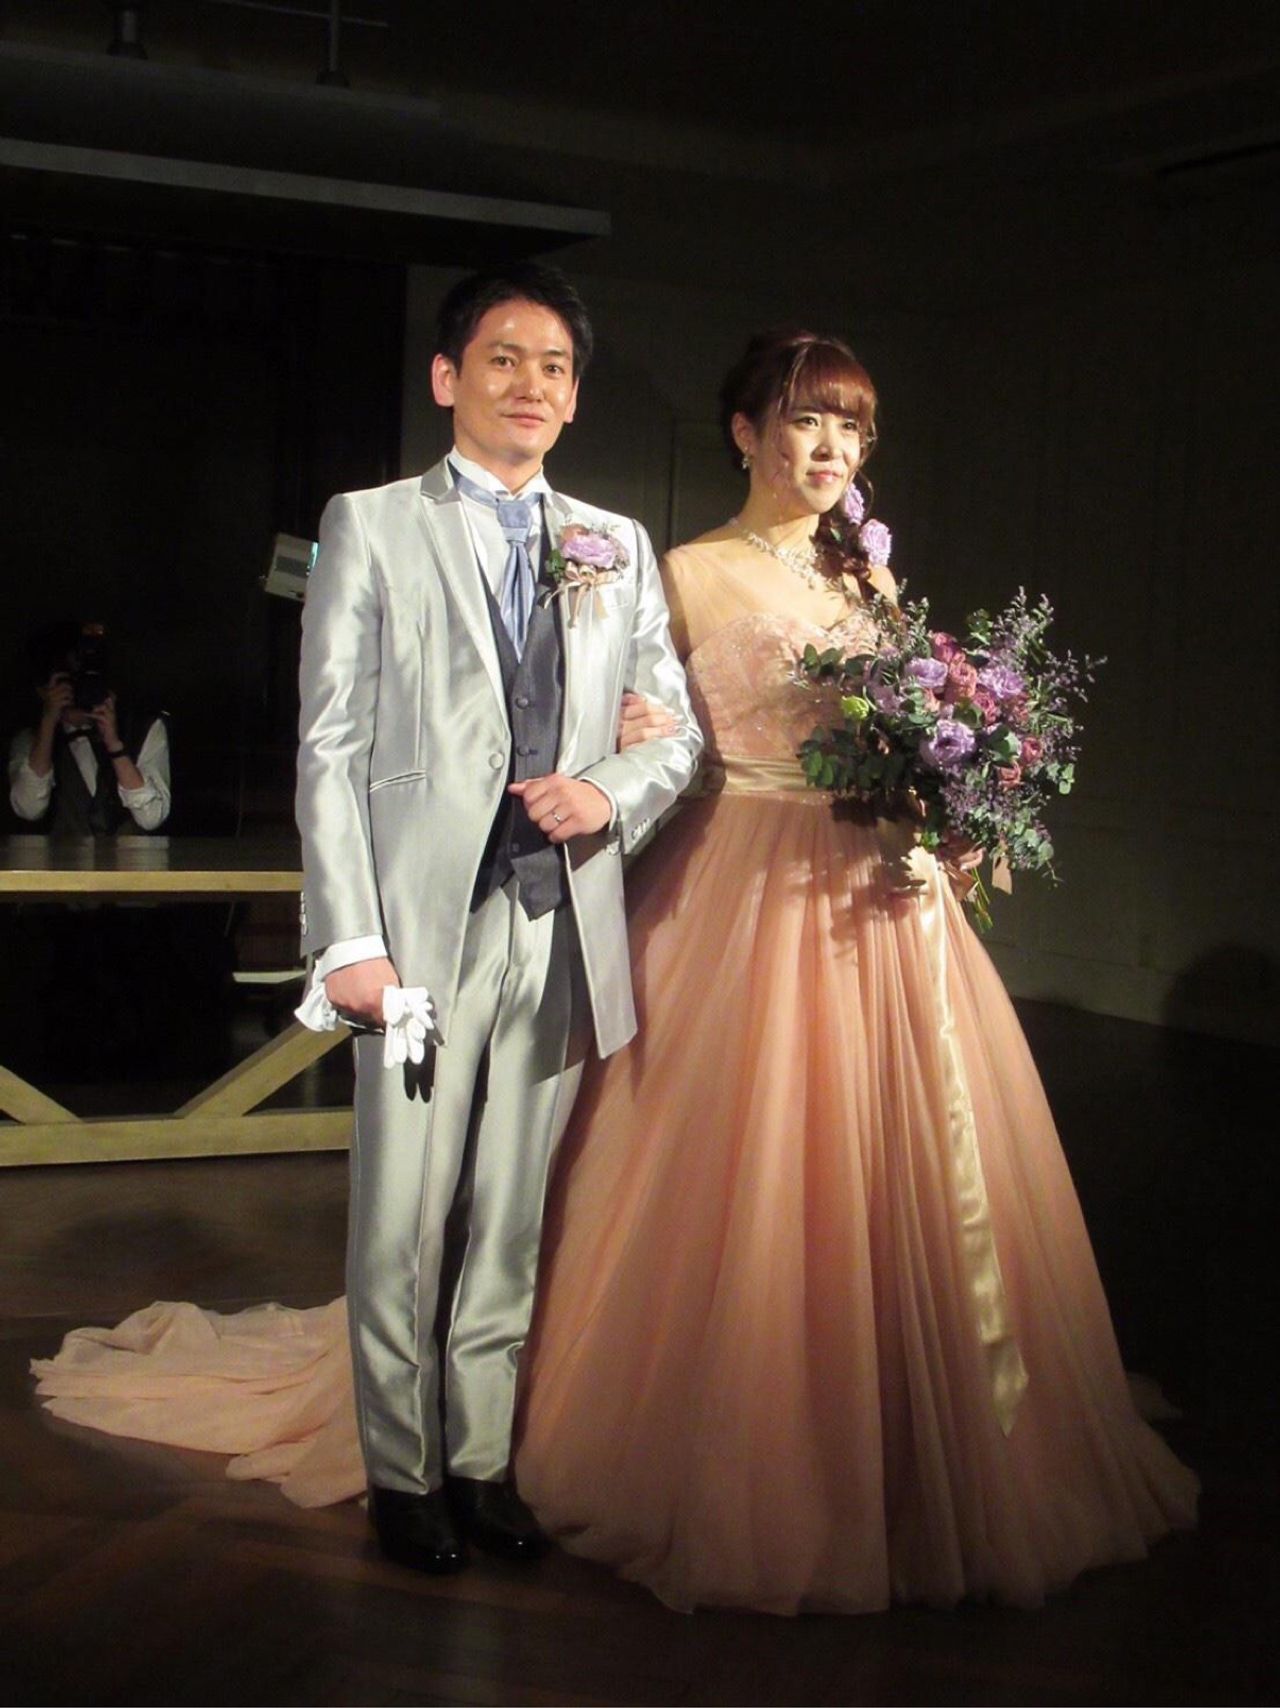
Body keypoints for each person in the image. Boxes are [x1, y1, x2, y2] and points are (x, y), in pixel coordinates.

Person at [33, 328, 1196, 1615]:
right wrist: (634, 748)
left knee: (886, 1173)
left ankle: (882, 1435)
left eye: (850, 427)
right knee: (696, 1175)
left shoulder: (866, 577)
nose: (829, 449)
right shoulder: (673, 567)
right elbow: (610, 724)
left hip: (876, 905)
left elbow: (842, 733)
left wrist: (954, 804)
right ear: (745, 432)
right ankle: (485, 1448)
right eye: (804, 419)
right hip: (732, 893)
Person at [290, 260, 699, 1575]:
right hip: (418, 931)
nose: (532, 383)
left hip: (555, 921)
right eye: (505, 358)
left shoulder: (612, 542)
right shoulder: (371, 525)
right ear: (447, 377)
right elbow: (330, 747)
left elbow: (675, 731)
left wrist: (608, 788)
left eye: (555, 367)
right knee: (402, 1216)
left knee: (512, 1213)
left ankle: (479, 1462)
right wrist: (350, 940)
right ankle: (399, 1472)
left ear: (574, 400)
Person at [8, 621, 170, 834]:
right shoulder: (31, 740)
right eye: (68, 681)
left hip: (130, 855)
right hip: (65, 855)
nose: (78, 690)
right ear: (43, 690)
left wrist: (115, 746)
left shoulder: (143, 727)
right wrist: (48, 722)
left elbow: (151, 817)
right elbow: (29, 809)